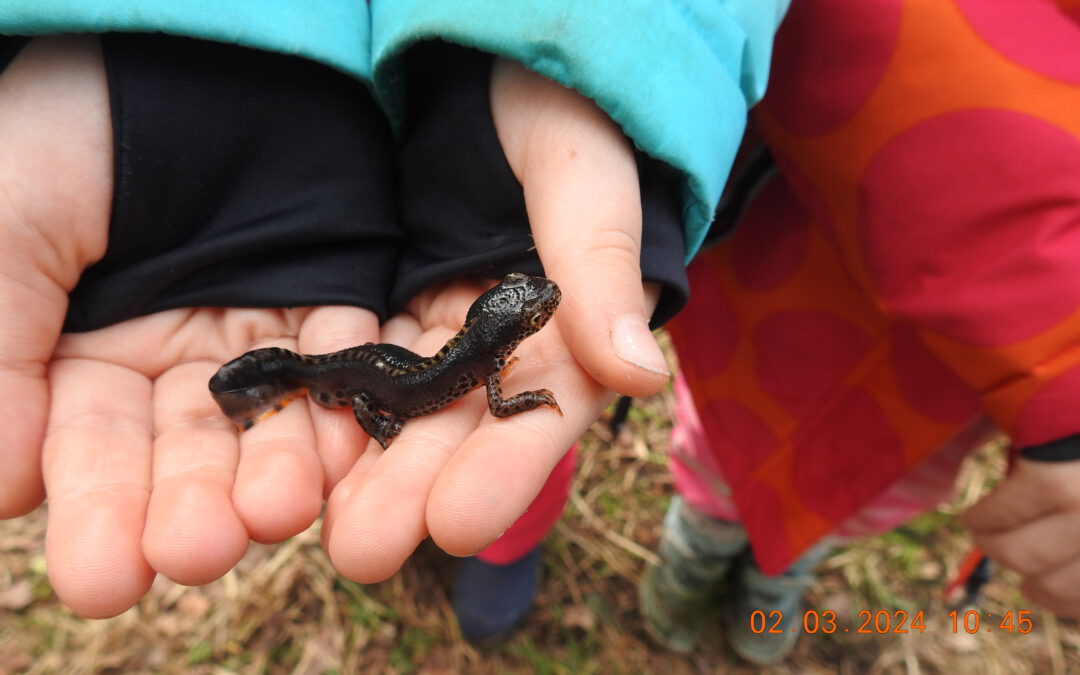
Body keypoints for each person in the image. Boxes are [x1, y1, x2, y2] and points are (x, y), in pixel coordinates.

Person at [0, 0, 790, 644]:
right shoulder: (483, 367)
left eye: (537, 302)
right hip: (362, 377)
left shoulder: (476, 354)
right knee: (358, 388)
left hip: (367, 362)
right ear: (502, 333)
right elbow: (490, 399)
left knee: (364, 383)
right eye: (534, 303)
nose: (544, 303)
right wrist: (388, 423)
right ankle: (260, 389)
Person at [640, 0, 1080, 665]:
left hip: (955, 390)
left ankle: (778, 570)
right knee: (721, 457)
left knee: (854, 495)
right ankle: (698, 546)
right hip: (803, 277)